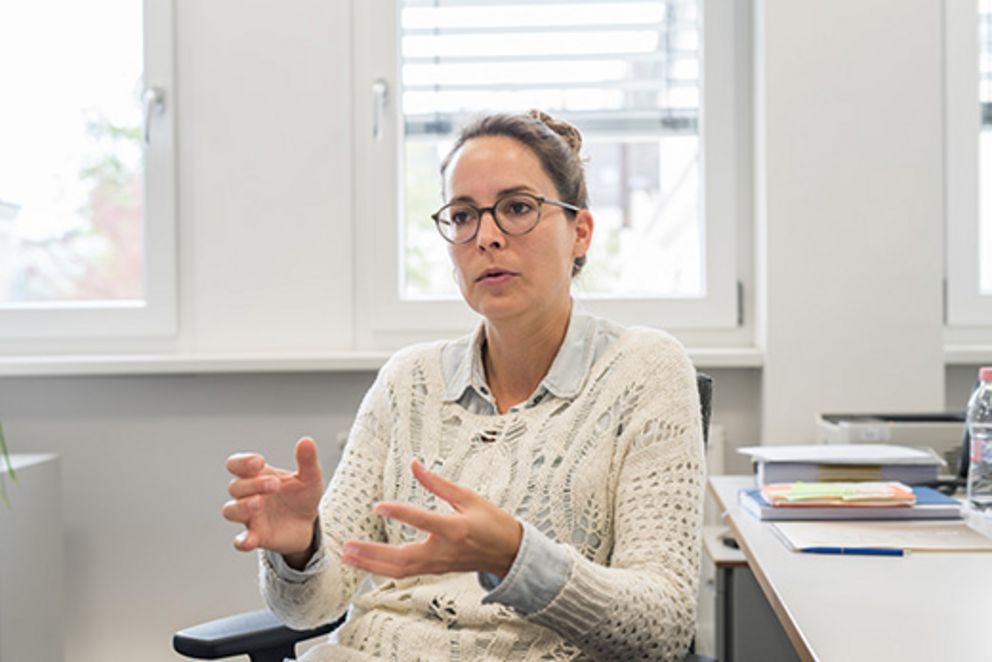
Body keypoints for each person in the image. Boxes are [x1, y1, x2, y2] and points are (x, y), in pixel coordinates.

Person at [223, 110, 705, 661]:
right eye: (463, 215)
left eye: (518, 208)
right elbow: (310, 609)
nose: (488, 237)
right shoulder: (409, 381)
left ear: (580, 232)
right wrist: (299, 550)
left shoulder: (646, 369)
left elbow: (664, 628)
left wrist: (516, 557)